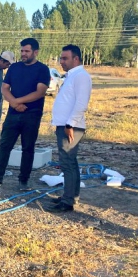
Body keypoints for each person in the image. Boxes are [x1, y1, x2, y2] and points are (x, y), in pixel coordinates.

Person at [0, 38, 50, 190]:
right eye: (22, 51)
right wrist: (13, 103)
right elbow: (5, 88)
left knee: (28, 148)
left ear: (35, 52)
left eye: (27, 51)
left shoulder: (42, 69)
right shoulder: (14, 68)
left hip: (32, 115)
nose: (23, 54)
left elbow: (40, 92)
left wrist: (16, 101)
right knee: (5, 146)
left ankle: (23, 180)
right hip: (13, 114)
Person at [46, 44, 92, 213]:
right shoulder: (72, 76)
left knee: (67, 164)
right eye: (61, 58)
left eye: (65, 58)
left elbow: (81, 104)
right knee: (70, 163)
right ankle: (71, 195)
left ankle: (68, 201)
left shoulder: (81, 76)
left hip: (71, 127)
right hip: (66, 125)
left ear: (76, 59)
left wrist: (70, 124)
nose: (61, 61)